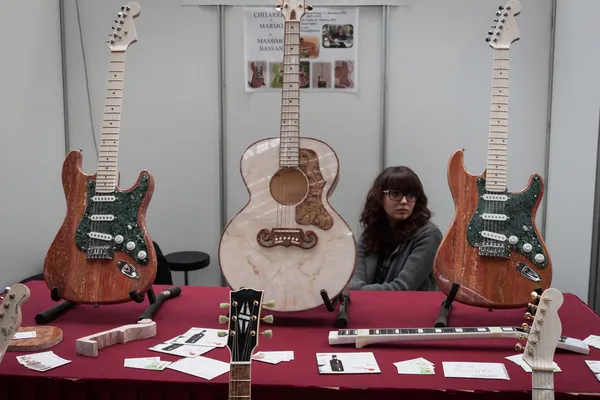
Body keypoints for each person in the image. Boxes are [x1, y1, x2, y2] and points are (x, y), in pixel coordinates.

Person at [347, 166, 443, 291]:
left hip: (410, 309)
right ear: (380, 197)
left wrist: (361, 293)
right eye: (395, 194)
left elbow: (402, 288)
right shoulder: (370, 233)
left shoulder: (429, 235)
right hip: (369, 308)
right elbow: (354, 283)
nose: (404, 201)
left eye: (411, 195)